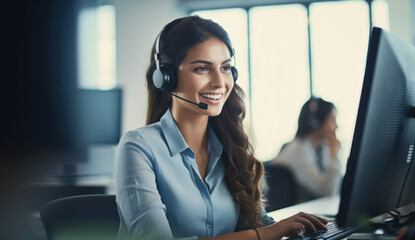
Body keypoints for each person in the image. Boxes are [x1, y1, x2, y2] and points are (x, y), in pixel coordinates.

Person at [115, 16, 327, 240]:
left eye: (225, 67)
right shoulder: (139, 147)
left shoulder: (230, 147)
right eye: (202, 69)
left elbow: (259, 224)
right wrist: (267, 232)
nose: (219, 82)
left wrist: (300, 229)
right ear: (166, 78)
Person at [273, 97, 342, 203]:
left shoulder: (321, 148)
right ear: (316, 122)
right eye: (333, 120)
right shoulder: (298, 150)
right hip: (296, 211)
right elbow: (327, 191)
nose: (336, 126)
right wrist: (334, 157)